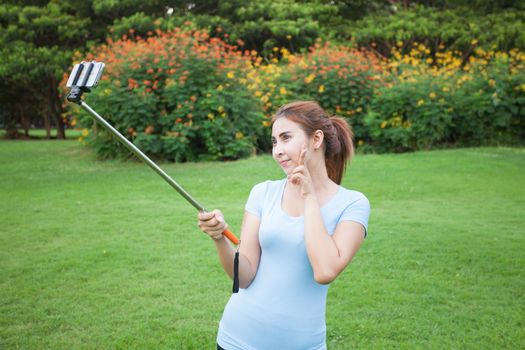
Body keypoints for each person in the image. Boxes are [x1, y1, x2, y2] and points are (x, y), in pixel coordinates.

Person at [198, 101, 370, 350]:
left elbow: (325, 271)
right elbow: (243, 277)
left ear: (316, 139)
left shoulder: (352, 203)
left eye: (286, 138)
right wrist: (219, 237)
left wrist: (309, 196)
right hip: (235, 340)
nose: (277, 150)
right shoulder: (263, 192)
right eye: (274, 141)